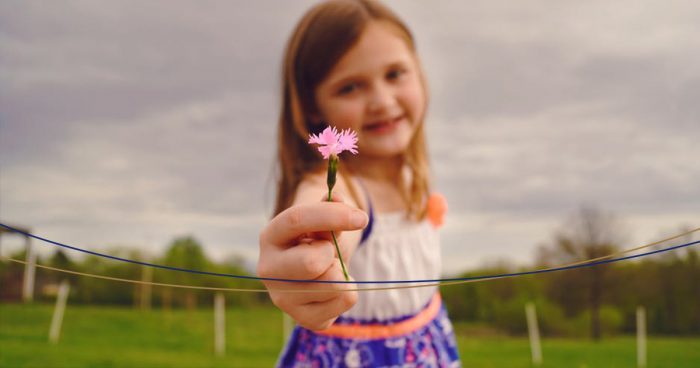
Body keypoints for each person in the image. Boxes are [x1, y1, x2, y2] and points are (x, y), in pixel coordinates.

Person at [257, 0, 460, 366]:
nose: (382, 101)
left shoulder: (413, 178)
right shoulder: (339, 184)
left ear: (420, 72)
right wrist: (308, 257)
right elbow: (326, 213)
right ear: (314, 107)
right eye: (350, 87)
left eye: (395, 74)